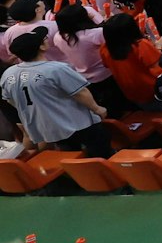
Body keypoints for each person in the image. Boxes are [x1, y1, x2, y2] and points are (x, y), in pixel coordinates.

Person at [1, 28, 109, 156]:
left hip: (49, 128)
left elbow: (10, 100)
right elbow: (80, 92)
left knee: (71, 155)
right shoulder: (56, 69)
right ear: (41, 47)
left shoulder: (8, 74)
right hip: (77, 122)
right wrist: (97, 109)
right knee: (100, 150)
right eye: (44, 39)